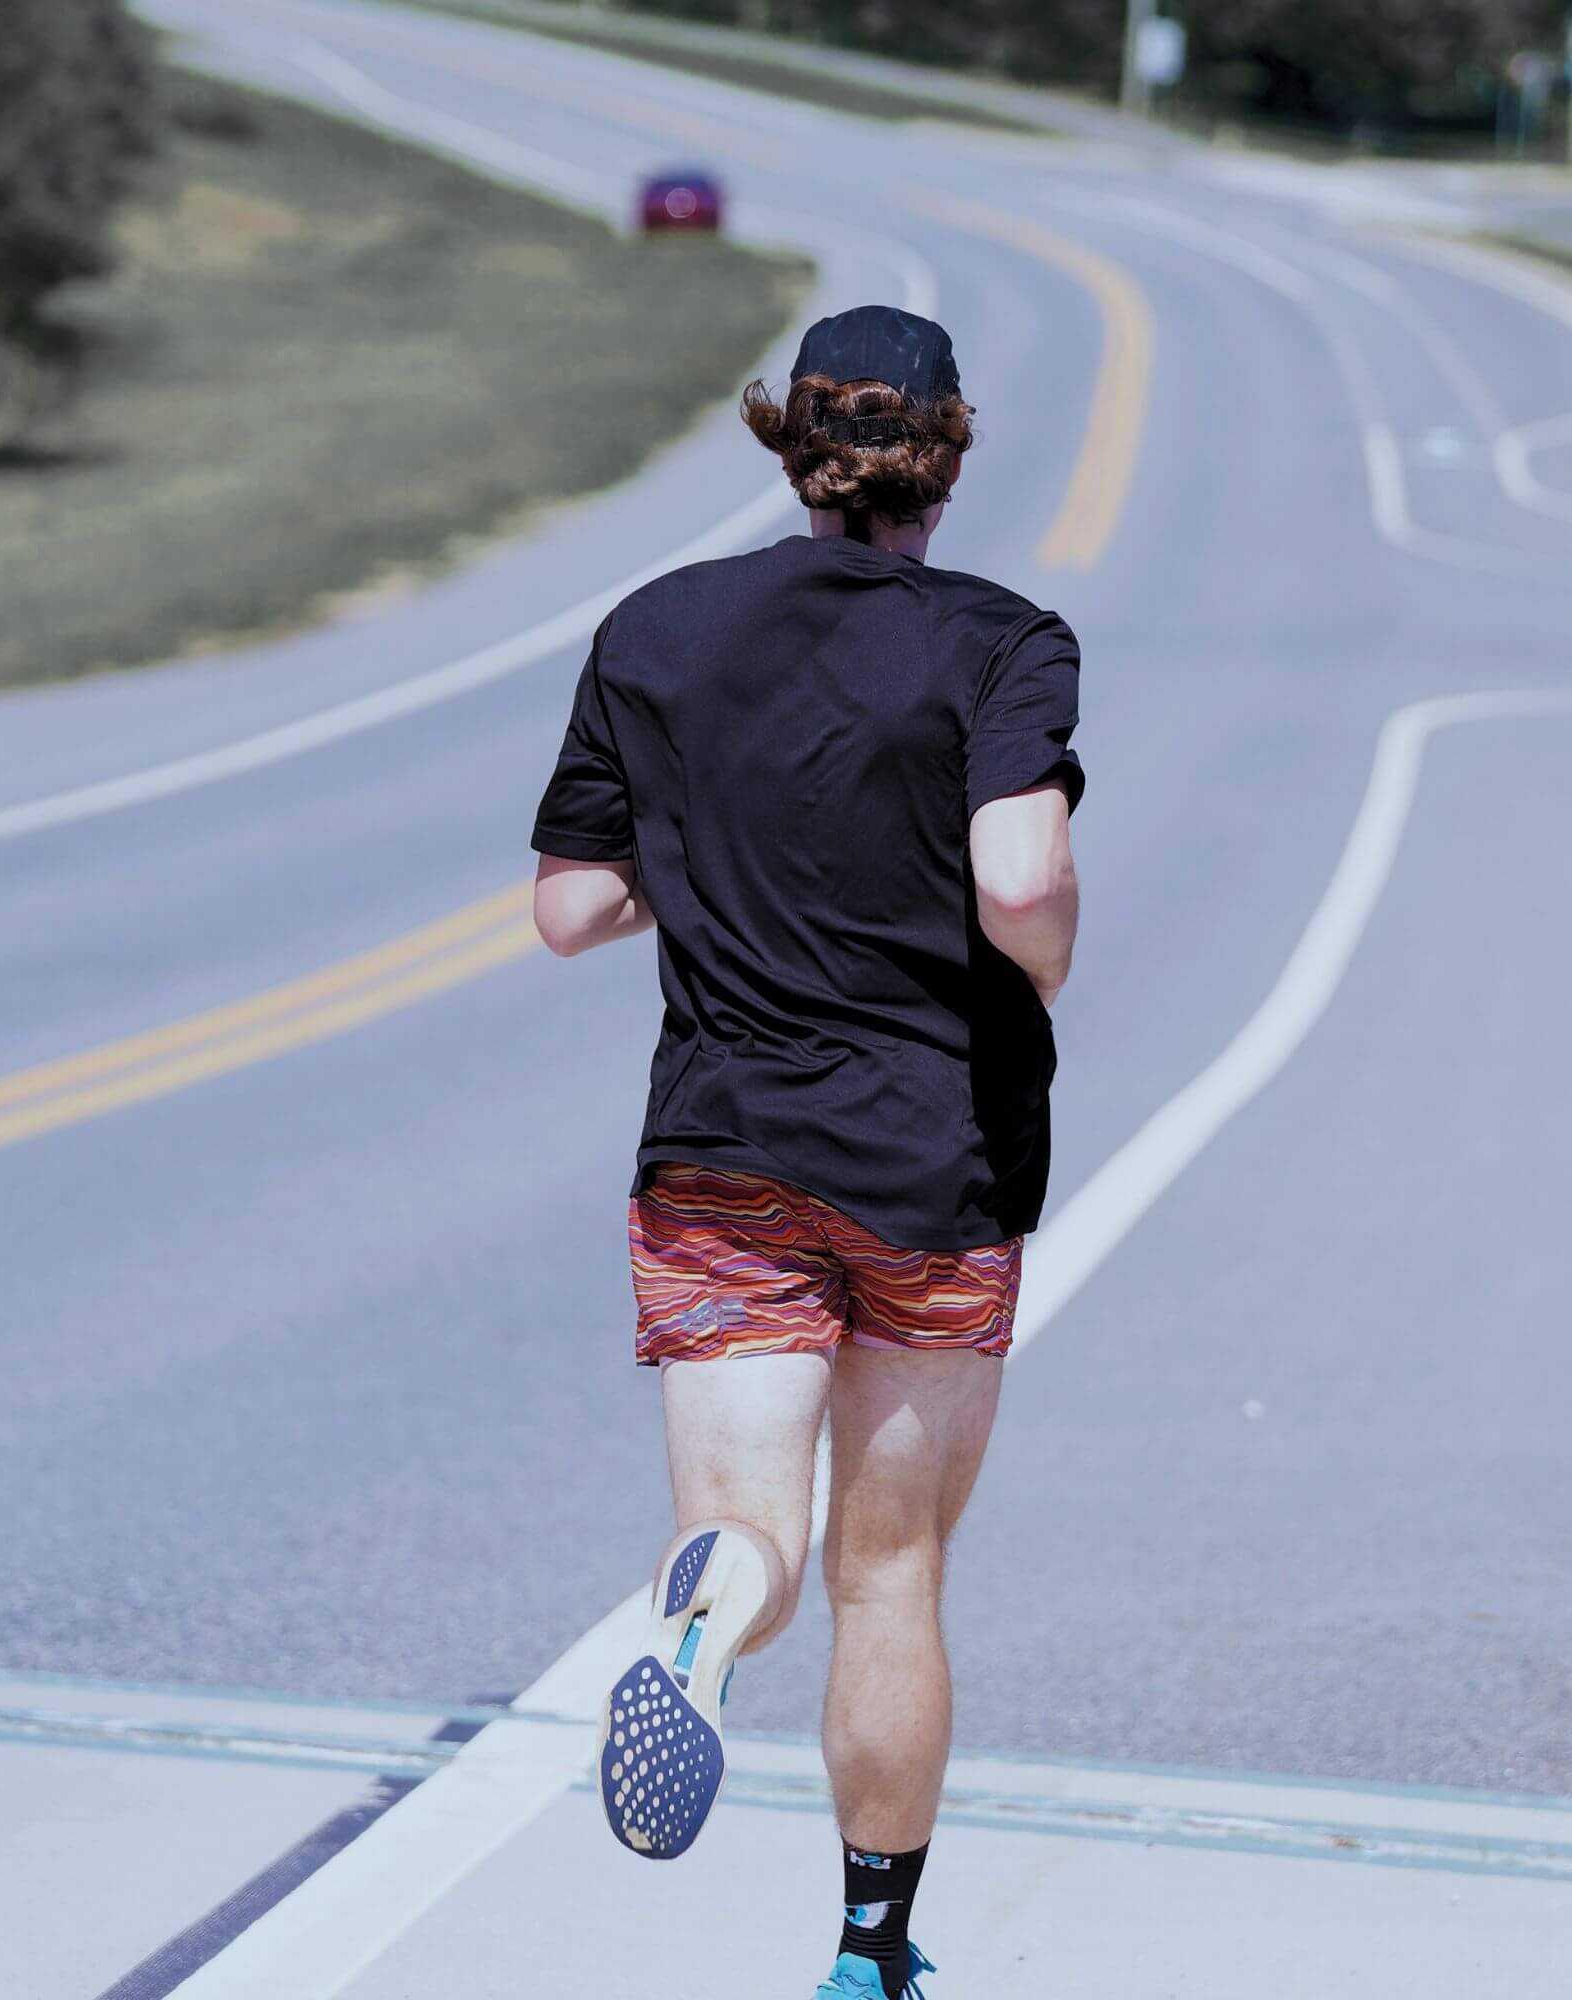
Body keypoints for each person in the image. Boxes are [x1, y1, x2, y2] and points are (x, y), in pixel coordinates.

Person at [529, 305, 1083, 2000]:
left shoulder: (655, 629)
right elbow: (1016, 883)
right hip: (936, 1163)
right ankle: (867, 1960)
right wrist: (1045, 960)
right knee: (891, 1567)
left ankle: (698, 1636)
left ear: (792, 445)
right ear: (948, 455)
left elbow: (567, 908)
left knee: (747, 1531)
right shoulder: (1004, 644)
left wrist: (702, 878)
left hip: (721, 1153)